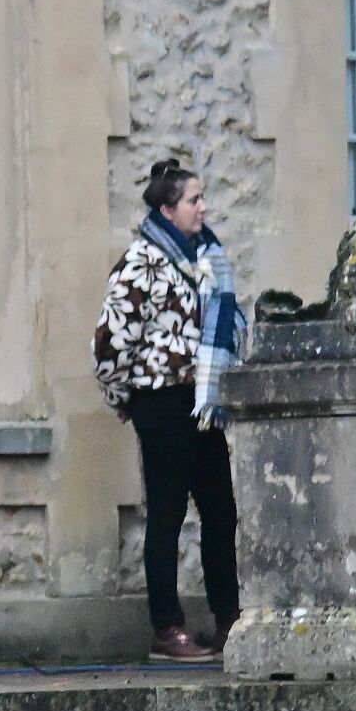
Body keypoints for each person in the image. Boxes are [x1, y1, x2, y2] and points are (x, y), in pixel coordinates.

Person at [95, 156, 241, 661]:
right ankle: (167, 628)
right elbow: (111, 342)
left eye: (201, 198)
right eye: (193, 200)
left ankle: (228, 621)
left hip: (203, 401)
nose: (203, 208)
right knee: (167, 513)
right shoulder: (140, 262)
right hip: (160, 400)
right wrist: (122, 398)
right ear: (167, 209)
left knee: (220, 511)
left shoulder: (206, 256)